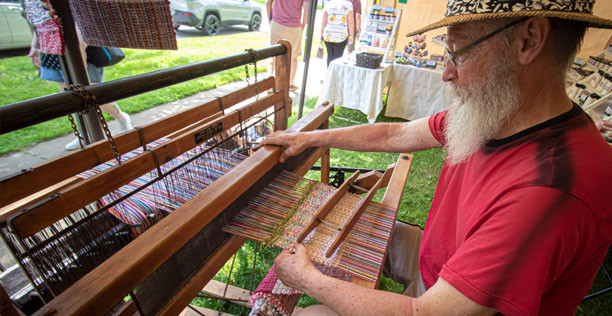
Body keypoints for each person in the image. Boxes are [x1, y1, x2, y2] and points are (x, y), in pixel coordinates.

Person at [261, 0, 612, 315]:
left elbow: (425, 313)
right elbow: (393, 133)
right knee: (348, 230)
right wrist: (306, 138)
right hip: (442, 268)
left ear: (529, 40)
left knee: (310, 315)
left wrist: (307, 280)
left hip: (441, 299)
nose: (446, 72)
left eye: (458, 52)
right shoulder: (501, 118)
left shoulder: (549, 190)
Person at [24, 0, 132, 151]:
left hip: (78, 48)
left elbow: (82, 14)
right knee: (69, 95)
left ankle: (120, 117)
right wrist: (36, 44)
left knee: (92, 93)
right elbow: (40, 20)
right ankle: (86, 131)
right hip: (51, 47)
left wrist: (80, 49)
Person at [266, 0, 308, 91]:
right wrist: (302, 27)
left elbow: (268, 3)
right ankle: (290, 83)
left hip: (277, 24)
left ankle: (270, 83)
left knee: (272, 54)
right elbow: (306, 10)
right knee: (293, 56)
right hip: (294, 26)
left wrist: (270, 21)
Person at [320, 0, 354, 66]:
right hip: (341, 35)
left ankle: (329, 72)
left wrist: (321, 35)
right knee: (337, 58)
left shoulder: (328, 4)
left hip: (328, 35)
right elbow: (351, 22)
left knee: (330, 56)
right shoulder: (348, 4)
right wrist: (352, 35)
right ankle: (334, 74)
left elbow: (323, 21)